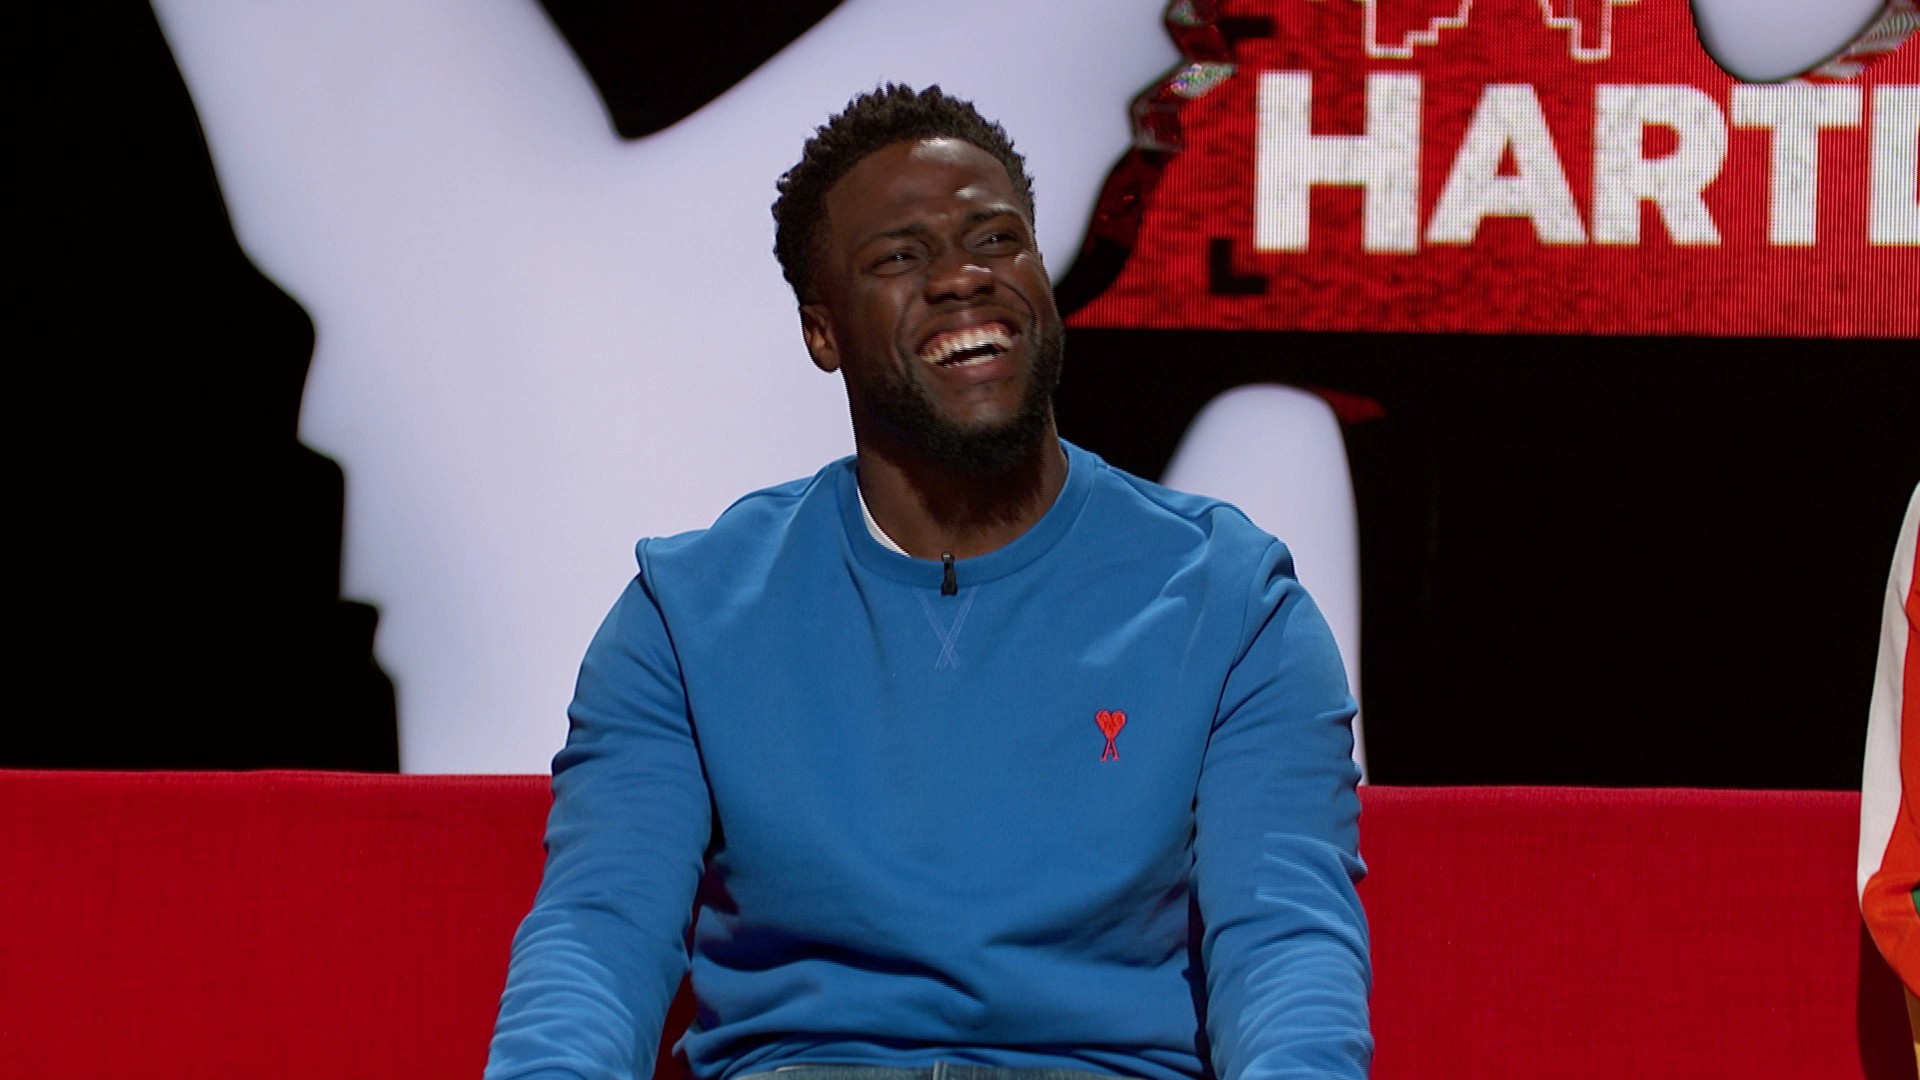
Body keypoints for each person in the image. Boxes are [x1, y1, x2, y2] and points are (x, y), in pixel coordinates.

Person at [485, 84, 1370, 1080]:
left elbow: (1285, 949)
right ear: (823, 332)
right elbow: (600, 936)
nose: (962, 278)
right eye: (900, 258)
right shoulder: (687, 614)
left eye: (996, 241)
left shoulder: (1233, 601)